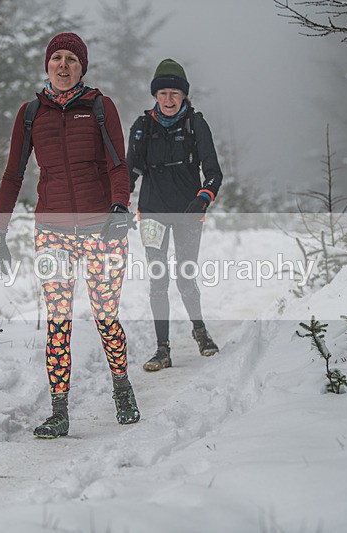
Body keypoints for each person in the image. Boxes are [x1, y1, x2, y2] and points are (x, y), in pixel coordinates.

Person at [0, 32, 139, 439]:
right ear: (47, 65)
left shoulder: (101, 107)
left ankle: (122, 388)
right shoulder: (30, 114)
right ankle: (59, 410)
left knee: (106, 315)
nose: (63, 64)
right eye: (57, 57)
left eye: (72, 58)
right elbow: (13, 175)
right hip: (52, 232)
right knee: (58, 321)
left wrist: (120, 207)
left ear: (82, 67)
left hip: (101, 229)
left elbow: (118, 166)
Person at [126, 58, 223, 372]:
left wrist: (202, 199)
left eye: (175, 94)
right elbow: (130, 171)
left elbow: (213, 172)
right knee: (158, 280)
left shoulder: (196, 124)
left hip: (187, 212)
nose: (168, 99)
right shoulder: (142, 127)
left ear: (184, 97)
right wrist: (118, 203)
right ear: (155, 95)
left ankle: (200, 331)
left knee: (185, 277)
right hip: (151, 212)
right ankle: (162, 350)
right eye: (163, 93)